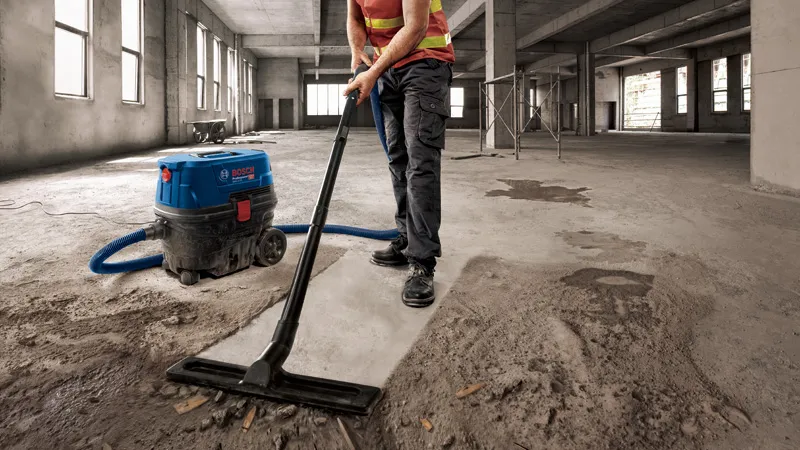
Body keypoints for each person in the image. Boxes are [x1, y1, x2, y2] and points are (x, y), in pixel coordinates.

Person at [344, 0, 454, 308]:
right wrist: (357, 51)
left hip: (425, 64)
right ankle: (407, 240)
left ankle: (422, 261)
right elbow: (354, 17)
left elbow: (416, 26)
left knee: (420, 163)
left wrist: (373, 71)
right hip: (390, 69)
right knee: (398, 160)